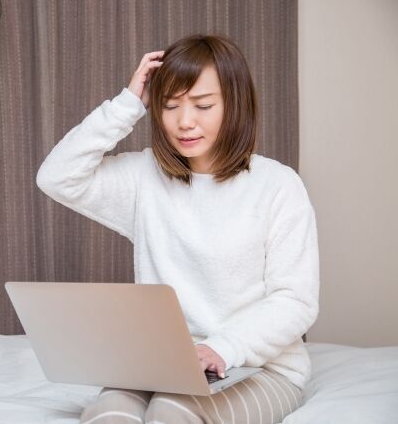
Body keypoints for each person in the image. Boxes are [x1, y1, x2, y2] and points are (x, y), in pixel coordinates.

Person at [36, 34, 319, 424]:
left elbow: (295, 301)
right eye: (170, 105)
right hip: (162, 362)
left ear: (235, 104)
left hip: (259, 366)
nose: (185, 122)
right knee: (108, 414)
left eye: (203, 105)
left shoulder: (278, 185)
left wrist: (223, 348)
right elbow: (56, 177)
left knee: (172, 412)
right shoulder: (144, 177)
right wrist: (127, 104)